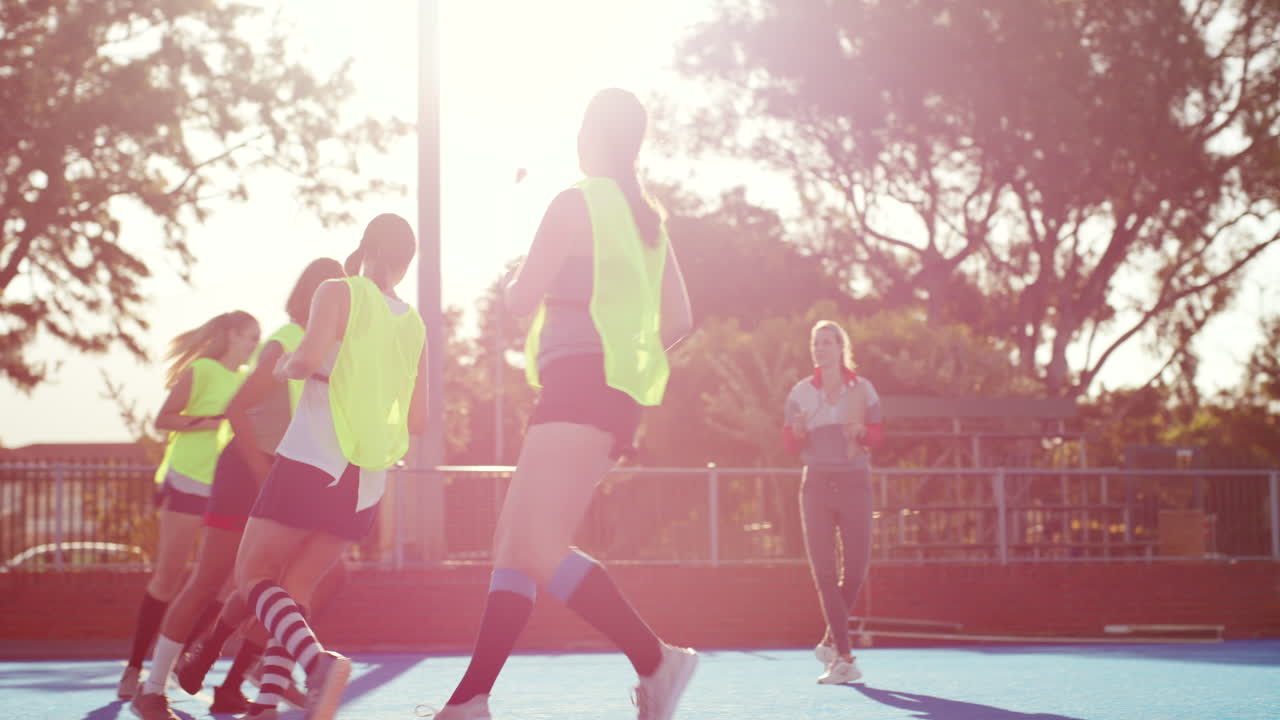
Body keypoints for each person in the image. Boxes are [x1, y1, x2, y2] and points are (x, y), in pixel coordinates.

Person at [424, 88, 696, 720]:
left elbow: (522, 299)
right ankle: (471, 700)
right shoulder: (648, 222)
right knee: (514, 542)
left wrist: (514, 285)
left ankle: (656, 658)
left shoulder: (575, 202)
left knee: (534, 545)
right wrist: (626, 360)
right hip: (610, 395)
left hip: (577, 387)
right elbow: (680, 318)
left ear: (590, 136)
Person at [127, 259, 344, 719]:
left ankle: (230, 680)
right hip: (246, 473)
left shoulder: (331, 347)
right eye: (339, 294)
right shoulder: (285, 341)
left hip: (286, 475)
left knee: (301, 580)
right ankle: (152, 688)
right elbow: (237, 408)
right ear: (318, 297)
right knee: (209, 580)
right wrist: (265, 477)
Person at [232, 213, 427, 720]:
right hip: (367, 478)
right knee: (295, 590)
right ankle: (266, 704)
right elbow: (419, 419)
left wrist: (285, 366)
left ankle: (317, 663)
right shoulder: (414, 325)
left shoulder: (338, 291)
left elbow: (303, 360)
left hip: (314, 455)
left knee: (253, 574)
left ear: (367, 248)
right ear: (407, 263)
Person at [117, 311, 261, 700]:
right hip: (187, 481)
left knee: (222, 584)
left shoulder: (249, 379)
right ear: (230, 335)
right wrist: (212, 421)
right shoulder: (202, 370)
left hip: (227, 489)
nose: (254, 343)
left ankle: (180, 659)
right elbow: (163, 419)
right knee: (169, 576)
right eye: (250, 336)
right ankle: (134, 668)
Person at [782, 320, 883, 685]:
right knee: (824, 574)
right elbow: (789, 445)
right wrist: (797, 433)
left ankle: (829, 640)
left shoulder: (864, 390)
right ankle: (844, 658)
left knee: (855, 571)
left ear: (841, 348)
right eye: (816, 342)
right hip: (816, 485)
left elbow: (878, 436)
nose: (820, 348)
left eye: (827, 342)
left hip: (855, 482)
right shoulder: (800, 393)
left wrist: (862, 432)